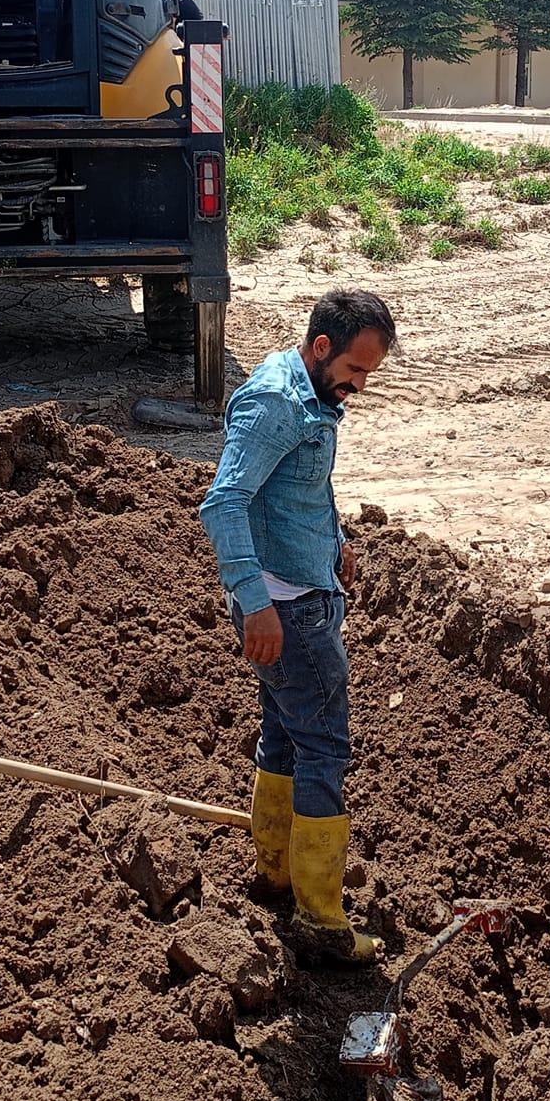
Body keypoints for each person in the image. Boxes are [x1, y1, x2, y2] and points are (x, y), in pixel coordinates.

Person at [198, 289, 396, 965]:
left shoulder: (311, 395)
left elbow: (299, 487)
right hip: (290, 613)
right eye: (356, 370)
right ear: (320, 348)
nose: (360, 386)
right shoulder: (275, 403)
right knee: (323, 751)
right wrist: (256, 603)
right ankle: (321, 922)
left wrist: (333, 535)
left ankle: (276, 875)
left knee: (284, 735)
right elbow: (223, 502)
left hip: (296, 596)